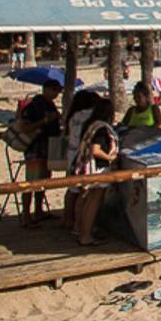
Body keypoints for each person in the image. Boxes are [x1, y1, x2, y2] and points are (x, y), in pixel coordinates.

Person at [17, 80, 63, 227]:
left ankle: (38, 210)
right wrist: (44, 121)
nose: (56, 94)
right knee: (31, 182)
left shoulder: (50, 105)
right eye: (54, 90)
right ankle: (26, 215)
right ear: (46, 89)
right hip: (35, 148)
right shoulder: (34, 106)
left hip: (47, 147)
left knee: (43, 181)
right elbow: (25, 128)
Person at [73, 99, 118, 246]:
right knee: (94, 200)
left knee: (86, 198)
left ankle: (80, 229)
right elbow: (95, 150)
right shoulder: (100, 128)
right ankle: (86, 235)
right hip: (97, 168)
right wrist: (109, 157)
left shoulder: (90, 125)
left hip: (86, 167)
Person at [60, 91, 101, 232]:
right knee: (83, 192)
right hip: (81, 155)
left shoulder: (73, 116)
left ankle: (67, 219)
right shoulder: (89, 115)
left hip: (71, 153)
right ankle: (79, 225)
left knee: (72, 189)